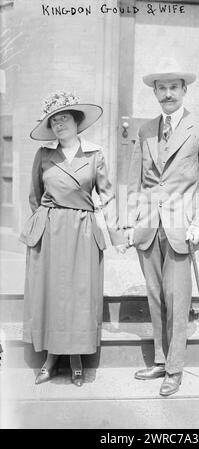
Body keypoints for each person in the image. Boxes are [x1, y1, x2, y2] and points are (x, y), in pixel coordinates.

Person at [125, 59, 199, 396]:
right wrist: (130, 222)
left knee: (177, 299)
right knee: (154, 296)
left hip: (182, 226)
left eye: (173, 88)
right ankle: (161, 361)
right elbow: (134, 179)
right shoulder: (146, 129)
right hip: (149, 224)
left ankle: (175, 369)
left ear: (184, 91)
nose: (167, 94)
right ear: (154, 92)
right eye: (161, 89)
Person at [20, 91, 123, 386]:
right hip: (50, 231)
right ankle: (50, 358)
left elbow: (108, 195)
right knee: (50, 292)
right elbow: (34, 197)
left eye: (65, 118)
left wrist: (114, 233)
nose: (59, 124)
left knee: (80, 294)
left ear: (77, 121)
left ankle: (77, 359)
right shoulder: (44, 155)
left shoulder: (95, 154)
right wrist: (46, 222)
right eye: (54, 120)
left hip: (83, 230)